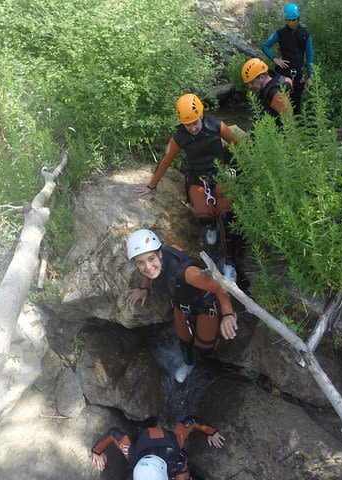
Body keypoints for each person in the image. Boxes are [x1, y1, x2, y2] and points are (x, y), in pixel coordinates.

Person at [136, 93, 240, 281]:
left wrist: (239, 172)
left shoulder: (218, 126)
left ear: (201, 115)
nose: (192, 128)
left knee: (225, 215)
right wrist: (152, 185)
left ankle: (230, 262)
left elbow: (238, 146)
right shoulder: (179, 137)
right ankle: (210, 235)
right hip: (197, 179)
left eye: (195, 122)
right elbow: (167, 160)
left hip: (222, 173)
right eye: (187, 124)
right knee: (205, 217)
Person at [125, 229, 238, 382]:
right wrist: (144, 288)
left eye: (151, 258)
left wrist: (228, 314)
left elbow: (220, 287)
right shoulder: (152, 266)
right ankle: (189, 364)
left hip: (206, 305)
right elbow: (147, 273)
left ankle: (219, 325)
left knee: (204, 347)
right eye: (141, 263)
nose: (148, 266)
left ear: (160, 255)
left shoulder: (187, 273)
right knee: (184, 341)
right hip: (182, 305)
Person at [91, 416, 225, 480]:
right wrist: (97, 451)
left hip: (166, 448)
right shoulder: (132, 455)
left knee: (182, 474)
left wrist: (211, 432)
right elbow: (113, 433)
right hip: (149, 451)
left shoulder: (175, 443)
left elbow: (191, 421)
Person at [261, 3, 314, 114]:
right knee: (280, 103)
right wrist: (274, 58)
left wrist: (311, 75)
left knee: (296, 104)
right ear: (286, 20)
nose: (291, 23)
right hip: (282, 74)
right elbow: (265, 46)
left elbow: (310, 55)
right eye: (289, 20)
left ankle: (296, 128)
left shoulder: (305, 34)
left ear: (298, 19)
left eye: (294, 20)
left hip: (298, 74)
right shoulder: (280, 33)